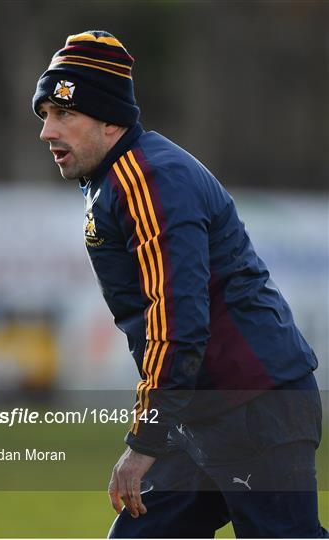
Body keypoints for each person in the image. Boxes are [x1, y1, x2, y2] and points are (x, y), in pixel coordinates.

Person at [32, 30, 327, 538]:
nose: (46, 132)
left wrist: (145, 439)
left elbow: (178, 319)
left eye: (63, 115)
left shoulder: (147, 178)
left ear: (108, 119)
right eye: (44, 116)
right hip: (206, 403)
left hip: (253, 403)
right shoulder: (118, 175)